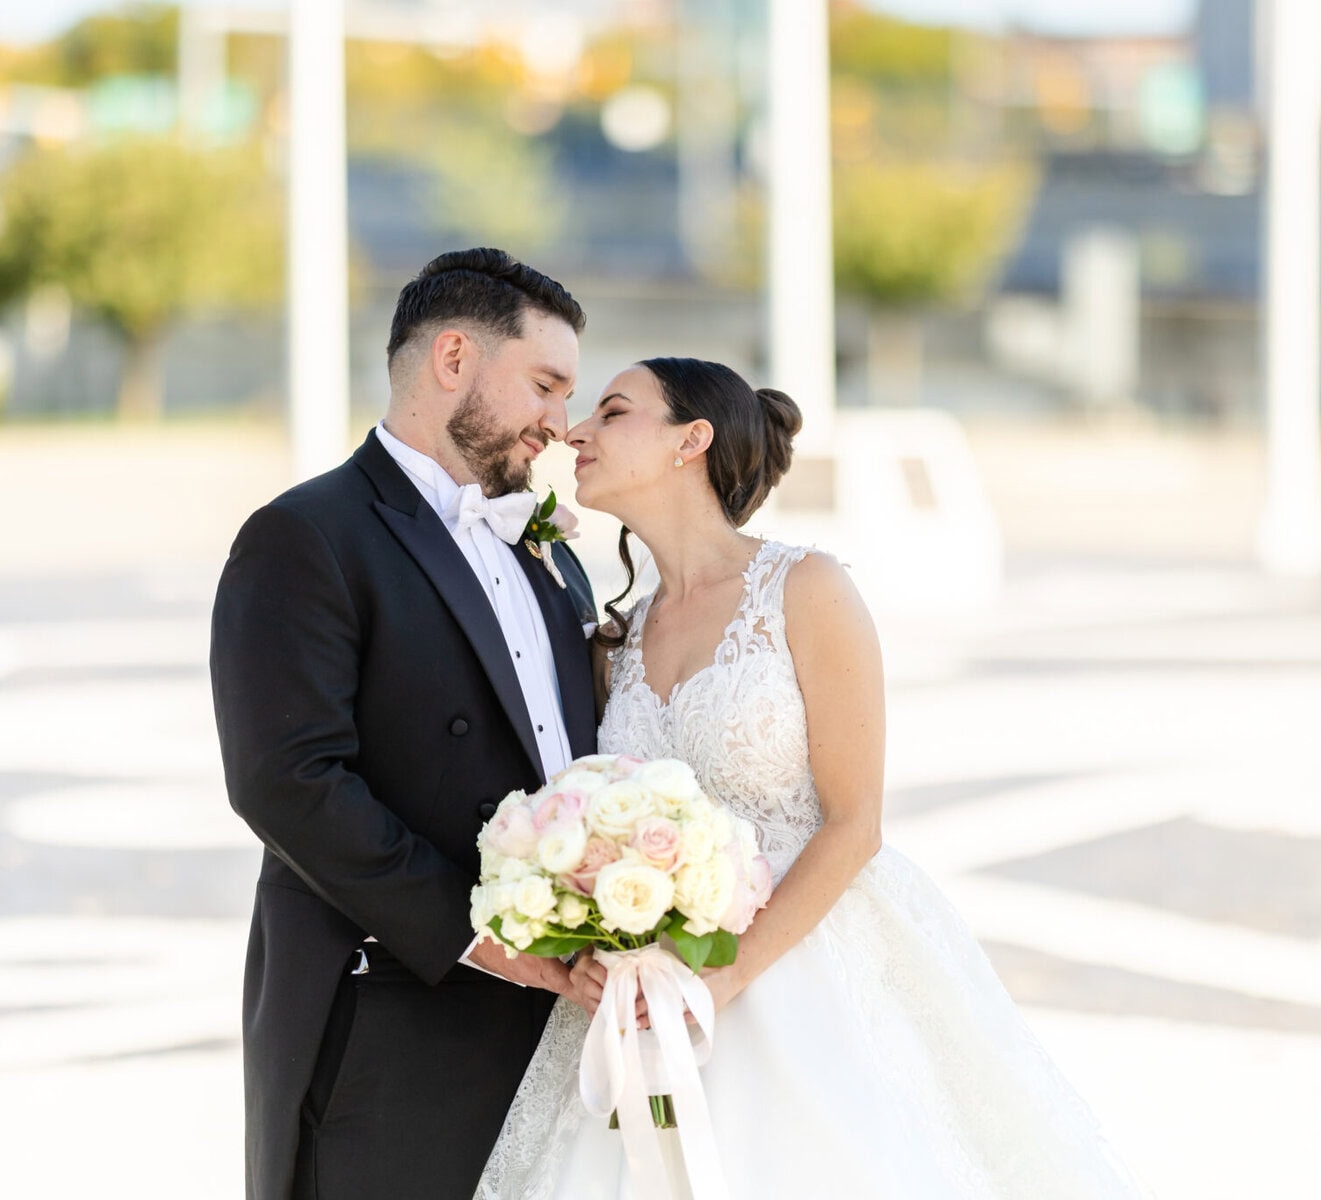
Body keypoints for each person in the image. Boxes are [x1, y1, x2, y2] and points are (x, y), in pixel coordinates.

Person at [476, 357, 1148, 1198]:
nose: (576, 431)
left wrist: (725, 975)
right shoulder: (615, 639)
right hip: (655, 983)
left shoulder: (807, 590)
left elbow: (855, 822)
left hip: (807, 966)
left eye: (613, 412)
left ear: (693, 440)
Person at [210, 248, 603, 1200]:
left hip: (554, 1032)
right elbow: (287, 781)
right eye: (546, 385)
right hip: (389, 1016)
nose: (561, 423)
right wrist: (486, 936)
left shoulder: (547, 551)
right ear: (455, 359)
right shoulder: (307, 534)